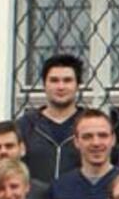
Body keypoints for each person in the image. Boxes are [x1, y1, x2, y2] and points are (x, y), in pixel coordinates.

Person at [41, 109, 118, 199]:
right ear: (76, 141)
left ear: (113, 139)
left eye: (103, 135)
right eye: (87, 136)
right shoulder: (59, 188)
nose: (96, 143)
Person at [16, 53, 84, 184]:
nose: (61, 87)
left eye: (67, 80)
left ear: (78, 85)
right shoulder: (25, 126)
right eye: (54, 80)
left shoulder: (90, 126)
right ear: (44, 84)